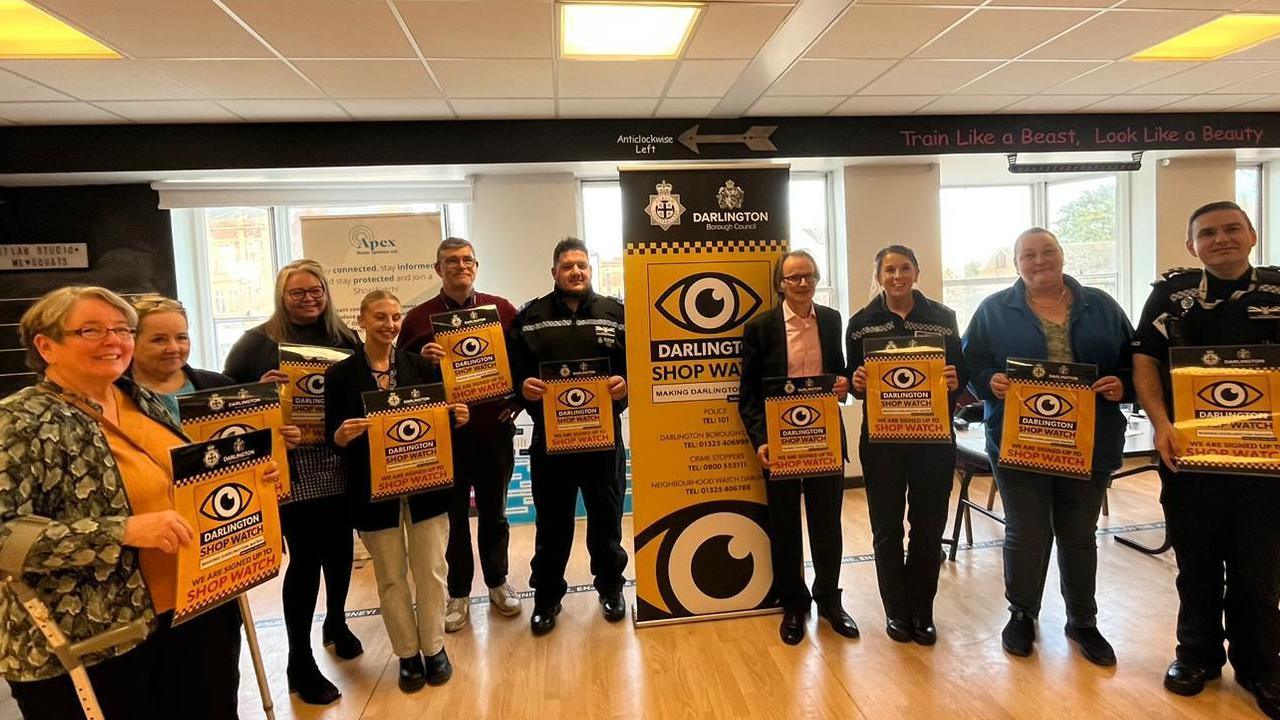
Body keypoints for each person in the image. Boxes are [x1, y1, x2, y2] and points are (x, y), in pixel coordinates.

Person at [0, 286, 278, 720]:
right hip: (97, 639)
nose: (113, 340)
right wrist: (123, 531)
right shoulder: (21, 420)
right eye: (90, 330)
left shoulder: (138, 399)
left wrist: (246, 481)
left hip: (195, 609)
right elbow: (5, 537)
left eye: (121, 329)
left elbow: (177, 483)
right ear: (46, 345)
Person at [1132, 201, 1280, 719]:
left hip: (1264, 460)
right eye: (1208, 233)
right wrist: (1160, 423)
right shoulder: (1169, 295)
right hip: (1189, 456)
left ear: (1253, 235)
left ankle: (1262, 664)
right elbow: (1145, 360)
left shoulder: (1278, 290)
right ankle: (1196, 656)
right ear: (1191, 244)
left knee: (1258, 567)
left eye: (1231, 229)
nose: (1221, 239)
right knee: (1195, 562)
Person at [963, 228, 1133, 667]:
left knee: (1079, 535)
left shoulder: (1102, 306)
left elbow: (1133, 359)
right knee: (1027, 532)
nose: (1040, 261)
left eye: (1048, 252)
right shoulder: (993, 310)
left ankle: (1083, 621)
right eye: (1029, 255)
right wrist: (987, 382)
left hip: (1089, 442)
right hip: (1020, 442)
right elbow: (972, 362)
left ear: (1061, 255)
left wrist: (1124, 384)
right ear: (1017, 263)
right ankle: (1022, 614)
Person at [127, 295, 298, 718]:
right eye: (158, 339)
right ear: (132, 341)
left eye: (181, 337)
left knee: (218, 669)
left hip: (221, 547)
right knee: (160, 678)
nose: (174, 347)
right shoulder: (116, 399)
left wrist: (270, 463)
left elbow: (252, 459)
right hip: (152, 560)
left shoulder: (217, 386)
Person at [224, 259, 360, 705]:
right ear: (282, 296)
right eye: (298, 292)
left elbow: (363, 391)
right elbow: (226, 406)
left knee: (340, 552)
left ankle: (337, 621)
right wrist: (261, 390)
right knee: (305, 560)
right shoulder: (255, 343)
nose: (309, 299)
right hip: (291, 466)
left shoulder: (345, 338)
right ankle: (299, 660)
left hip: (339, 458)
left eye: (315, 290)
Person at [326, 291, 468, 694]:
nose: (389, 324)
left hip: (426, 487)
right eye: (380, 317)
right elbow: (330, 433)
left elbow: (440, 422)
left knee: (432, 571)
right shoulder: (341, 376)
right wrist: (340, 434)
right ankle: (407, 654)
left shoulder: (422, 367)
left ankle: (434, 647)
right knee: (390, 577)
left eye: (395, 317)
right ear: (361, 320)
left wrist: (458, 417)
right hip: (373, 492)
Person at [398, 237, 522, 631]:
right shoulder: (418, 319)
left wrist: (517, 400)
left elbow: (522, 361)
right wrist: (422, 361)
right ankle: (458, 593)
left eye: (467, 260)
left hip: (493, 433)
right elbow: (401, 379)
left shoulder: (501, 309)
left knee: (494, 514)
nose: (460, 266)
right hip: (443, 437)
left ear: (476, 265)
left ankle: (498, 582)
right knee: (451, 519)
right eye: (451, 261)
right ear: (438, 269)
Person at [508, 237, 628, 636]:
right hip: (551, 442)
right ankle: (546, 597)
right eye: (567, 266)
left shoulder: (615, 313)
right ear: (554, 272)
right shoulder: (531, 316)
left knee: (606, 520)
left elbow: (635, 370)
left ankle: (611, 587)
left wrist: (623, 386)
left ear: (589, 270)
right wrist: (521, 389)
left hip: (603, 439)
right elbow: (512, 372)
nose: (575, 272)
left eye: (582, 265)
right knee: (553, 524)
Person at [846, 245, 964, 645]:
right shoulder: (860, 323)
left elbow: (960, 375)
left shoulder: (944, 318)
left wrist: (953, 380)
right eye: (889, 270)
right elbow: (853, 384)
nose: (897, 276)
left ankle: (922, 611)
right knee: (886, 529)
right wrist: (858, 383)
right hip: (882, 444)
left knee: (928, 528)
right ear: (878, 276)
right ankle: (896, 611)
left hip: (934, 440)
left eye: (905, 268)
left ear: (917, 271)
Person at [738, 249, 857, 646]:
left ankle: (830, 600)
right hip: (780, 442)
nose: (802, 283)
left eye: (808, 276)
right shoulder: (760, 328)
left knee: (828, 526)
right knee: (785, 527)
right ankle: (793, 604)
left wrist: (843, 385)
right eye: (793, 278)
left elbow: (839, 375)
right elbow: (748, 397)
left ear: (817, 278)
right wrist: (761, 441)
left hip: (824, 438)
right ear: (780, 284)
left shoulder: (832, 320)